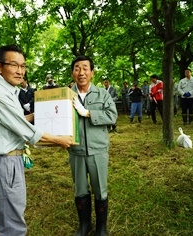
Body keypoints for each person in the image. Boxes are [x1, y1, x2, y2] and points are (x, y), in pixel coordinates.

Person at [0, 44, 72, 236]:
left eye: (23, 66)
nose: (20, 71)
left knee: (12, 215)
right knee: (12, 224)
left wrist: (39, 113)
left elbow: (16, 122)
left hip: (8, 161)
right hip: (4, 162)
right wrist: (59, 140)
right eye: (14, 65)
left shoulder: (8, 91)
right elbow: (24, 130)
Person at [69, 55, 117, 236]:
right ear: (73, 73)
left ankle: (101, 228)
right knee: (80, 189)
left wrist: (88, 113)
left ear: (92, 72)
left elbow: (112, 116)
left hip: (98, 149)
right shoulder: (67, 95)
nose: (81, 72)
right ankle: (85, 225)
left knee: (100, 189)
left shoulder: (102, 94)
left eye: (85, 68)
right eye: (77, 68)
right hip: (76, 150)